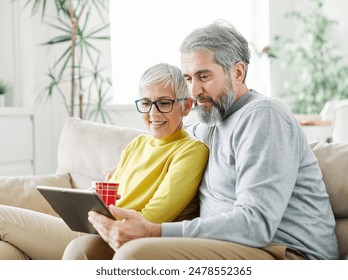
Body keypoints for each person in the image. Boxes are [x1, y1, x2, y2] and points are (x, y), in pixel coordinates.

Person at [80, 20, 339, 260]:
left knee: (134, 255)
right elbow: (167, 140)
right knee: (86, 250)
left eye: (204, 76)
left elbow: (256, 224)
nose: (194, 91)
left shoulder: (262, 117)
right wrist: (125, 168)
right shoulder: (210, 123)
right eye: (189, 78)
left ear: (238, 72)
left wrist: (155, 231)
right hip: (233, 245)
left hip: (285, 253)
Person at [0, 63, 208, 260]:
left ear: (186, 106)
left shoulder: (191, 151)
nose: (153, 113)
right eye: (146, 103)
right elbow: (110, 199)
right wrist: (92, 199)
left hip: (113, 236)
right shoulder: (138, 143)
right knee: (6, 252)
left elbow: (153, 217)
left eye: (164, 103)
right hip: (90, 226)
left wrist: (104, 219)